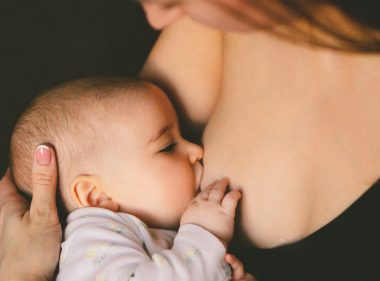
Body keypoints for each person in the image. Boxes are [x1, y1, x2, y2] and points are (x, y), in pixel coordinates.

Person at [1, 1, 380, 280]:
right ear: (96, 196)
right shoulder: (97, 242)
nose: (157, 15)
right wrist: (204, 239)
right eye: (168, 146)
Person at [9, 77, 254, 281]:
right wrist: (204, 234)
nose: (196, 150)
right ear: (97, 196)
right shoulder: (92, 240)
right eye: (168, 147)